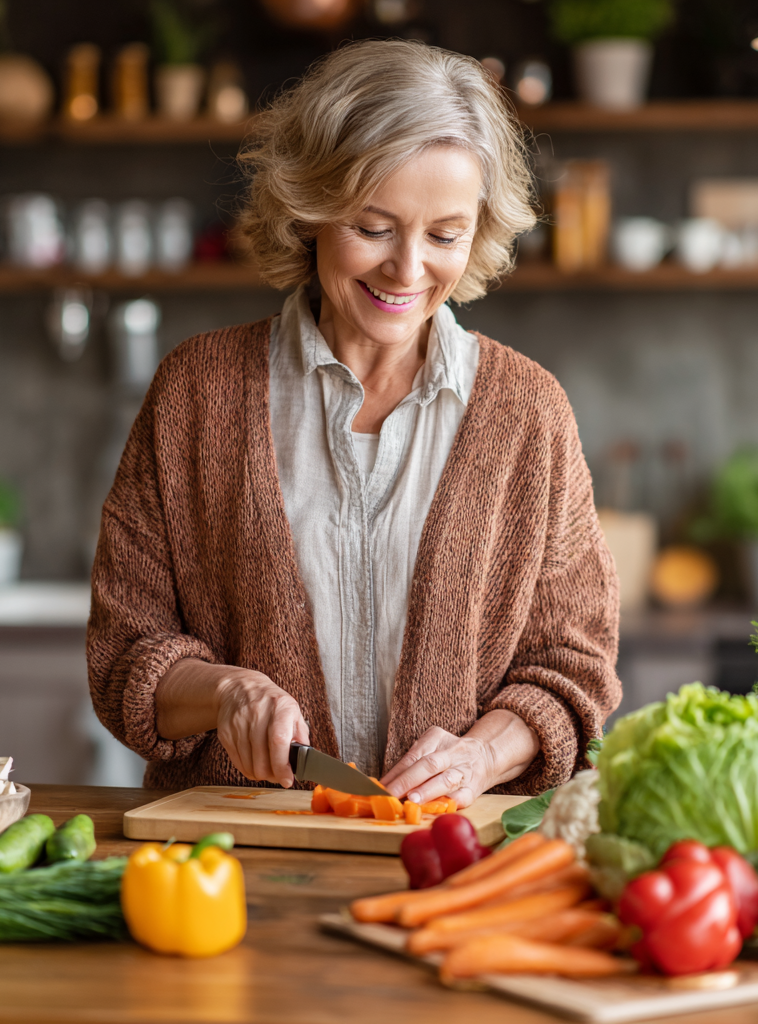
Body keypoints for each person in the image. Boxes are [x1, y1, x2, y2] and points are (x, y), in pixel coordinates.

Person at [88, 39, 620, 807]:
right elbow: (124, 653)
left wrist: (479, 757)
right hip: (234, 865)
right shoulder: (194, 395)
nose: (408, 270)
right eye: (373, 227)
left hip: (452, 866)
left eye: (444, 234)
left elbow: (575, 671)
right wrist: (224, 691)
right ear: (309, 210)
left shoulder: (529, 414)